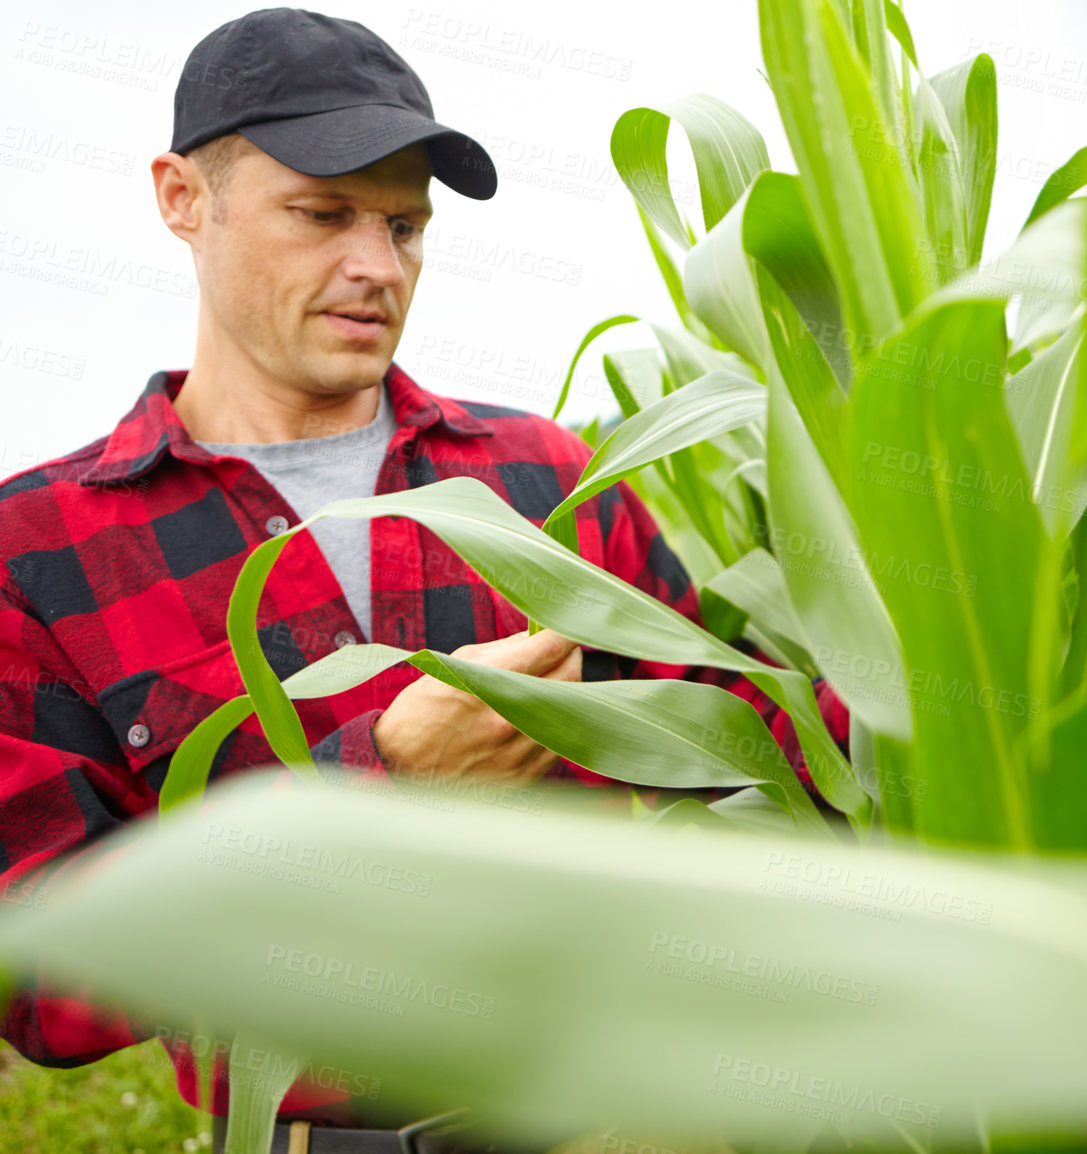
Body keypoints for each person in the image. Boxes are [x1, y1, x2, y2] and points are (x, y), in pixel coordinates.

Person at [0, 9, 849, 1152]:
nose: (374, 265)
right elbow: (40, 977)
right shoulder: (39, 548)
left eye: (405, 224)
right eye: (322, 213)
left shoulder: (547, 477)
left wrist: (935, 664)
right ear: (181, 198)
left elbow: (751, 750)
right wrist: (386, 778)